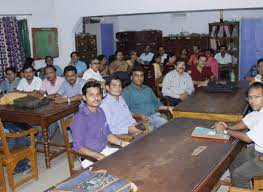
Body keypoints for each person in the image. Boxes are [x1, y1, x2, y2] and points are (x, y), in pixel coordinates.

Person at [214, 82, 263, 189]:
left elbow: (247, 139)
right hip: (258, 150)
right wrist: (227, 126)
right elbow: (244, 123)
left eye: (257, 97)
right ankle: (240, 186)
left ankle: (239, 183)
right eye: (250, 97)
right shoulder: (257, 111)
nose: (252, 101)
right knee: (233, 162)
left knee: (239, 175)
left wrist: (226, 130)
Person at [70, 81, 129, 168]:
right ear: (84, 98)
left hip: (105, 150)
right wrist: (99, 156)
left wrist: (122, 143)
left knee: (131, 159)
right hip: (90, 158)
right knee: (120, 169)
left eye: (98, 94)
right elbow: (78, 147)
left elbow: (108, 134)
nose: (96, 98)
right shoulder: (80, 118)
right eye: (91, 95)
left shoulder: (100, 111)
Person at [123, 66, 173, 131]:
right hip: (140, 120)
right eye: (136, 76)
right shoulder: (127, 91)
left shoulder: (147, 89)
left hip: (154, 116)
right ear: (131, 77)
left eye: (141, 76)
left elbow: (157, 105)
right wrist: (139, 116)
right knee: (151, 132)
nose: (139, 78)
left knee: (167, 126)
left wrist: (168, 108)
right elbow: (126, 112)